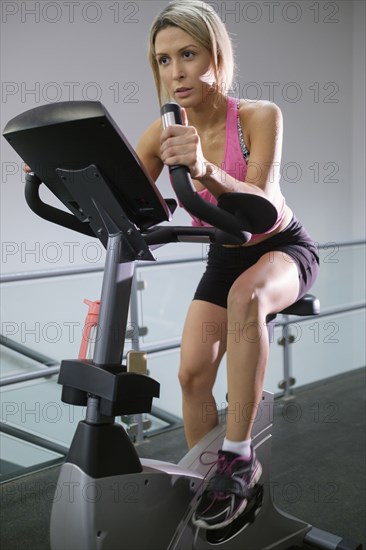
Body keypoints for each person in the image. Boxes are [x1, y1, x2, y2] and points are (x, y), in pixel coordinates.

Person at [135, 0, 319, 531]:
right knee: (191, 374)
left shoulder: (259, 116)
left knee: (247, 299)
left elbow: (260, 200)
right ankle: (209, 482)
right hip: (225, 255)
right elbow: (131, 199)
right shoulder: (160, 133)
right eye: (164, 60)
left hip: (281, 245)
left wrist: (203, 167)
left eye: (188, 54)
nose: (176, 72)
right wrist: (64, 177)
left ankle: (239, 460)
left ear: (216, 56)